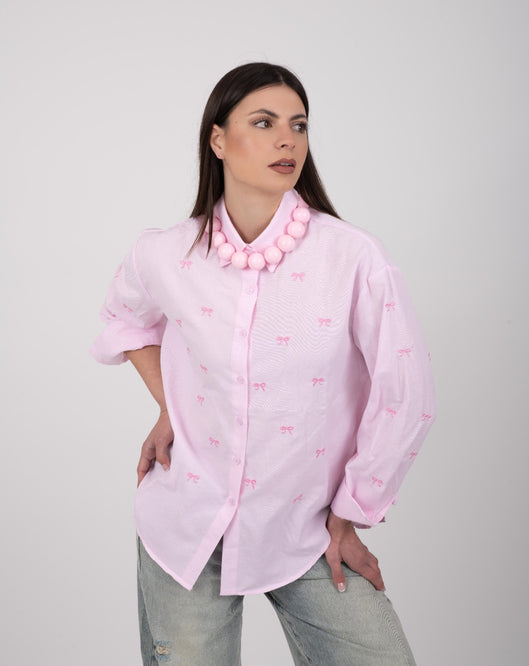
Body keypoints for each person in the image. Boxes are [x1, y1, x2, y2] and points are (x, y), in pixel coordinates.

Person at [91, 62, 435, 666]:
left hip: (307, 525)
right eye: (264, 122)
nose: (287, 140)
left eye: (299, 126)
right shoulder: (165, 253)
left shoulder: (353, 259)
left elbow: (405, 396)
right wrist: (173, 406)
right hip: (187, 522)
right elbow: (124, 319)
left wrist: (350, 512)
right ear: (218, 140)